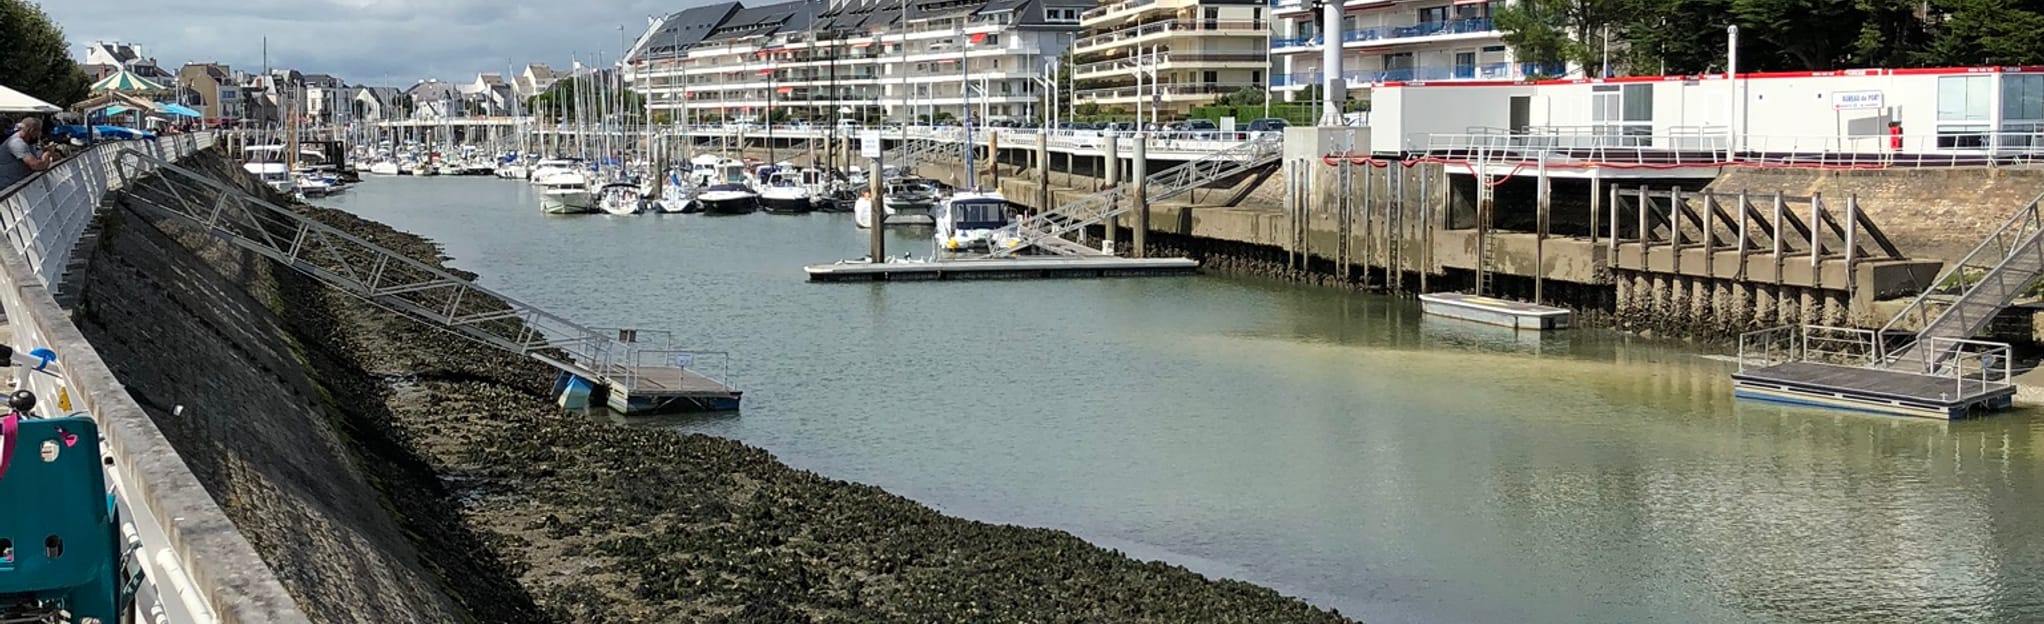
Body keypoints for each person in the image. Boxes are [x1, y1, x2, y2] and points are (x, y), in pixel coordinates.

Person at [0, 118, 61, 191]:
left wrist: (45, 151)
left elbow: (34, 156)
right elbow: (37, 166)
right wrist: (47, 153)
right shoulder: (17, 143)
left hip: (19, 185)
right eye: (39, 131)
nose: (40, 134)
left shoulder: (28, 141)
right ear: (32, 131)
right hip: (9, 189)